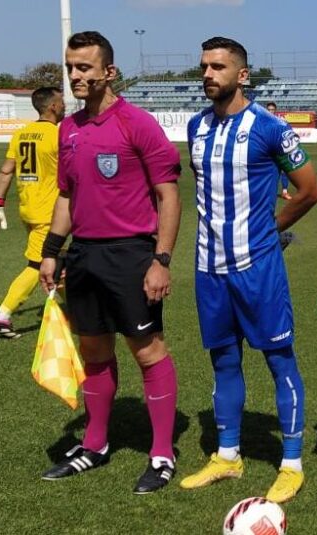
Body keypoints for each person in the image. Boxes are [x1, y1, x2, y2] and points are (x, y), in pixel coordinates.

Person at [37, 31, 183, 494]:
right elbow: (67, 195)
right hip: (83, 255)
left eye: (84, 67)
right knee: (94, 352)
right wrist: (51, 252)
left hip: (131, 254)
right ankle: (95, 444)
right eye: (70, 67)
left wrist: (161, 260)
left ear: (109, 71)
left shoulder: (137, 123)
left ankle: (162, 453)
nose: (75, 75)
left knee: (148, 351)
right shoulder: (68, 128)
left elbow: (168, 195)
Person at [178, 37, 317, 504]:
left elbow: (308, 190)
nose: (208, 74)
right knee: (223, 360)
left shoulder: (270, 128)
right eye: (204, 66)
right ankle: (227, 455)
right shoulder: (196, 126)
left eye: (218, 67)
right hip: (208, 266)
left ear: (242, 75)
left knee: (279, 359)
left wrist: (269, 229)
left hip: (257, 265)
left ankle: (292, 463)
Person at [0, 87, 65, 338]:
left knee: (59, 260)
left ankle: (77, 311)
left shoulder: (21, 134)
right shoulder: (57, 136)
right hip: (50, 213)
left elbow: (6, 170)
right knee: (38, 264)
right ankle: (2, 315)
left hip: (28, 209)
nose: (64, 106)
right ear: (53, 106)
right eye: (61, 102)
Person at [265, 101, 293, 200]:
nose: (270, 111)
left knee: (284, 171)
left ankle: (284, 192)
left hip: (280, 149)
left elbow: (289, 131)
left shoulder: (281, 121)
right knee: (271, 172)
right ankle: (268, 192)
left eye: (272, 110)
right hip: (268, 151)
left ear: (275, 110)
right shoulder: (262, 121)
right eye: (269, 110)